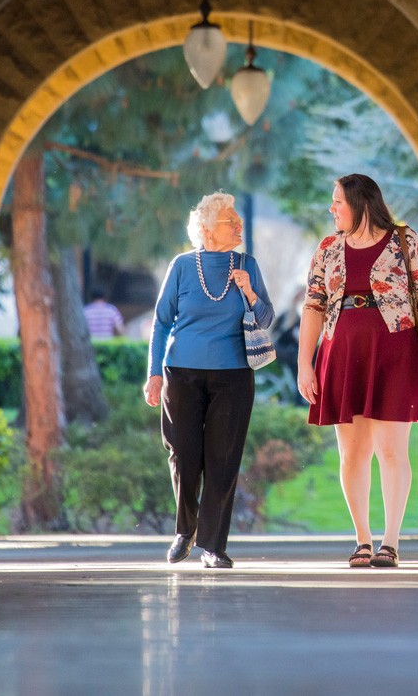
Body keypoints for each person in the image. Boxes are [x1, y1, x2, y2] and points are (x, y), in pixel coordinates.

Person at [298, 174, 418, 569]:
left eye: (338, 202)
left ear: (361, 203)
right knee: (352, 453)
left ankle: (391, 542)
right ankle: (362, 540)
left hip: (395, 351)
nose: (332, 209)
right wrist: (304, 364)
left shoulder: (405, 240)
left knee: (391, 450)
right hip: (342, 352)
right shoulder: (328, 248)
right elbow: (313, 307)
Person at [143, 192, 273, 569]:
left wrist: (248, 290)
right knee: (184, 455)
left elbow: (266, 319)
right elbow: (161, 321)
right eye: (230, 221)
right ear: (206, 229)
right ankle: (187, 528)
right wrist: (153, 373)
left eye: (239, 220)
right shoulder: (182, 266)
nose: (239, 226)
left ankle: (213, 546)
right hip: (181, 373)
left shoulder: (248, 264)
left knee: (223, 460)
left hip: (233, 376)